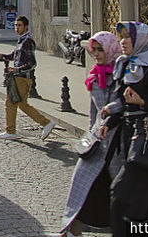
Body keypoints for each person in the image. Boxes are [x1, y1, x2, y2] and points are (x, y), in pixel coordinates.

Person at [100, 22, 148, 237]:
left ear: (141, 40)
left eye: (127, 37)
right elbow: (123, 104)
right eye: (120, 37)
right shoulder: (129, 66)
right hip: (130, 139)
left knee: (120, 194)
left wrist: (142, 103)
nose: (122, 42)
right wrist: (109, 123)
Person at [54, 32, 124, 236]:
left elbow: (124, 106)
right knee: (81, 183)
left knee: (123, 190)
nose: (97, 55)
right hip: (98, 143)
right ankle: (70, 229)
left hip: (118, 143)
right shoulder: (94, 76)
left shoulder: (121, 75)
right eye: (94, 50)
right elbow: (93, 115)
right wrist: (89, 138)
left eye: (101, 50)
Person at [0, 15, 55, 141]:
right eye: (15, 25)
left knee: (11, 102)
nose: (17, 28)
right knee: (22, 104)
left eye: (19, 25)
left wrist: (17, 69)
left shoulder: (27, 41)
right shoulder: (21, 40)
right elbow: (13, 56)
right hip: (19, 77)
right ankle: (46, 123)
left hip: (22, 78)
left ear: (26, 27)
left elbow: (32, 63)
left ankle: (11, 131)